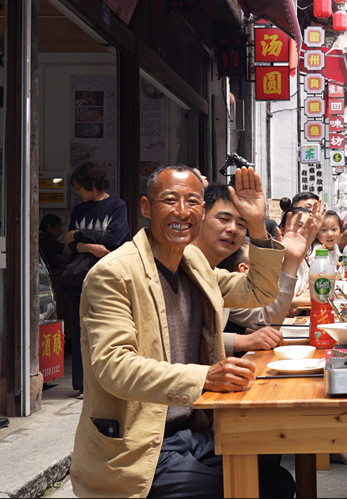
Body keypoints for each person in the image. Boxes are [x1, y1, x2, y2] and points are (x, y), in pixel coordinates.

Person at [70, 166, 303, 498]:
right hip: (141, 444)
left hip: (190, 434)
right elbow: (114, 367)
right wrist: (205, 377)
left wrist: (256, 226)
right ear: (146, 207)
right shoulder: (114, 273)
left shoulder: (192, 263)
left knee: (273, 474)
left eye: (192, 201)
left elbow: (259, 291)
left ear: (201, 211)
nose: (182, 211)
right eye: (170, 200)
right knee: (243, 488)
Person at [193, 184, 317, 354]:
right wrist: (240, 341)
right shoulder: (178, 264)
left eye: (241, 224)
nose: (232, 229)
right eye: (223, 219)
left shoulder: (217, 277)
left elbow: (267, 316)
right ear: (201, 214)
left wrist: (292, 259)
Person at [62, 162, 129, 398]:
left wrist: (80, 237)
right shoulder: (79, 210)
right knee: (80, 329)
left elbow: (115, 239)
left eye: (80, 188)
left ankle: (104, 382)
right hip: (79, 278)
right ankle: (82, 384)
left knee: (104, 330)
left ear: (91, 184)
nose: (78, 193)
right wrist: (91, 246)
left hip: (107, 277)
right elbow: (70, 243)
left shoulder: (117, 206)